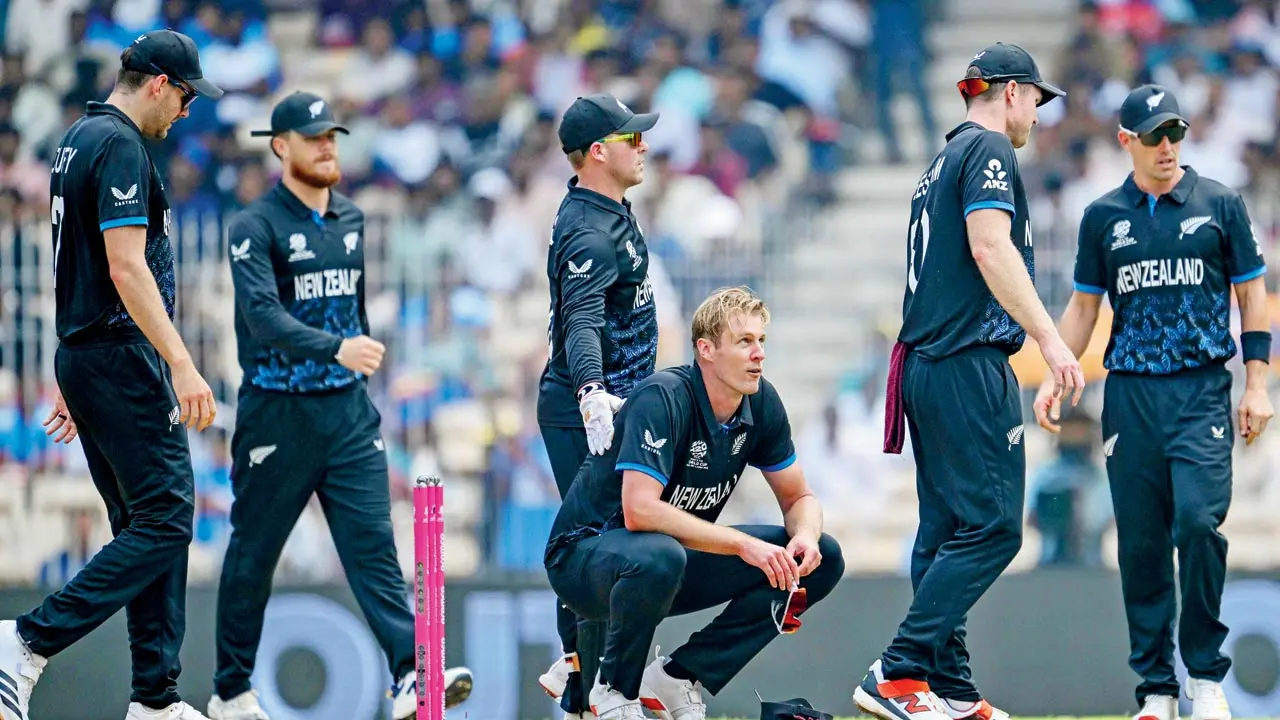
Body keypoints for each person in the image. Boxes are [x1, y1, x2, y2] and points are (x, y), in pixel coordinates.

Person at [206, 91, 471, 720]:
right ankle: (231, 690)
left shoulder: (351, 219)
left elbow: (354, 313)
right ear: (280, 147)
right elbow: (262, 318)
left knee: (374, 546)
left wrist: (357, 370)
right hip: (278, 415)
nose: (328, 147)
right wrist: (337, 349)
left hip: (347, 414)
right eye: (314, 137)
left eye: (333, 136)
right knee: (254, 554)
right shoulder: (255, 226)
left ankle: (412, 673)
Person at [0, 29, 222, 720]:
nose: (186, 113)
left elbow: (71, 261)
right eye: (184, 97)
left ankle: (155, 701)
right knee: (167, 517)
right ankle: (25, 640)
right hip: (120, 357)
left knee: (146, 520)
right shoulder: (122, 143)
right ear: (158, 82)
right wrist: (181, 362)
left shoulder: (75, 138)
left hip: (89, 352)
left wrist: (73, 361)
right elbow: (124, 267)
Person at [1034, 84, 1273, 720]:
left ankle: (1203, 674)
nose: (1167, 146)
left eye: (1175, 133)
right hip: (1130, 396)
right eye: (1153, 136)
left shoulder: (1221, 204)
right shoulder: (1102, 218)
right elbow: (1085, 307)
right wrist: (1058, 370)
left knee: (1197, 523)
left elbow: (1252, 299)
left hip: (1199, 392)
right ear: (1126, 142)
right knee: (1140, 544)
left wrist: (1256, 382)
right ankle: (1157, 690)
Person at [867, 42, 1080, 720]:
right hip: (965, 363)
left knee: (945, 530)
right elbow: (989, 246)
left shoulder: (939, 162)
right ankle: (899, 670)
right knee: (993, 529)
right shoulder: (989, 152)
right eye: (1036, 101)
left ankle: (949, 687)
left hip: (925, 365)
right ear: (1011, 92)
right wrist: (1049, 340)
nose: (1038, 117)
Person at [543, 287, 844, 720]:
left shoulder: (761, 403)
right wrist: (743, 545)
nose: (758, 353)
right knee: (660, 555)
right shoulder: (664, 396)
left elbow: (799, 497)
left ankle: (679, 676)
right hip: (581, 561)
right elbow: (639, 511)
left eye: (762, 341)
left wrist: (807, 535)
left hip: (668, 562)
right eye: (744, 342)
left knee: (824, 559)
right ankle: (613, 692)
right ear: (706, 349)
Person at [536, 93, 661, 719]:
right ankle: (590, 691)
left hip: (621, 408)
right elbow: (580, 323)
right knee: (597, 549)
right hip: (589, 411)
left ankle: (583, 673)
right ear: (596, 152)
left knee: (612, 542)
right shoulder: (587, 225)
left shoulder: (608, 207)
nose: (642, 146)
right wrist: (591, 392)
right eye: (630, 137)